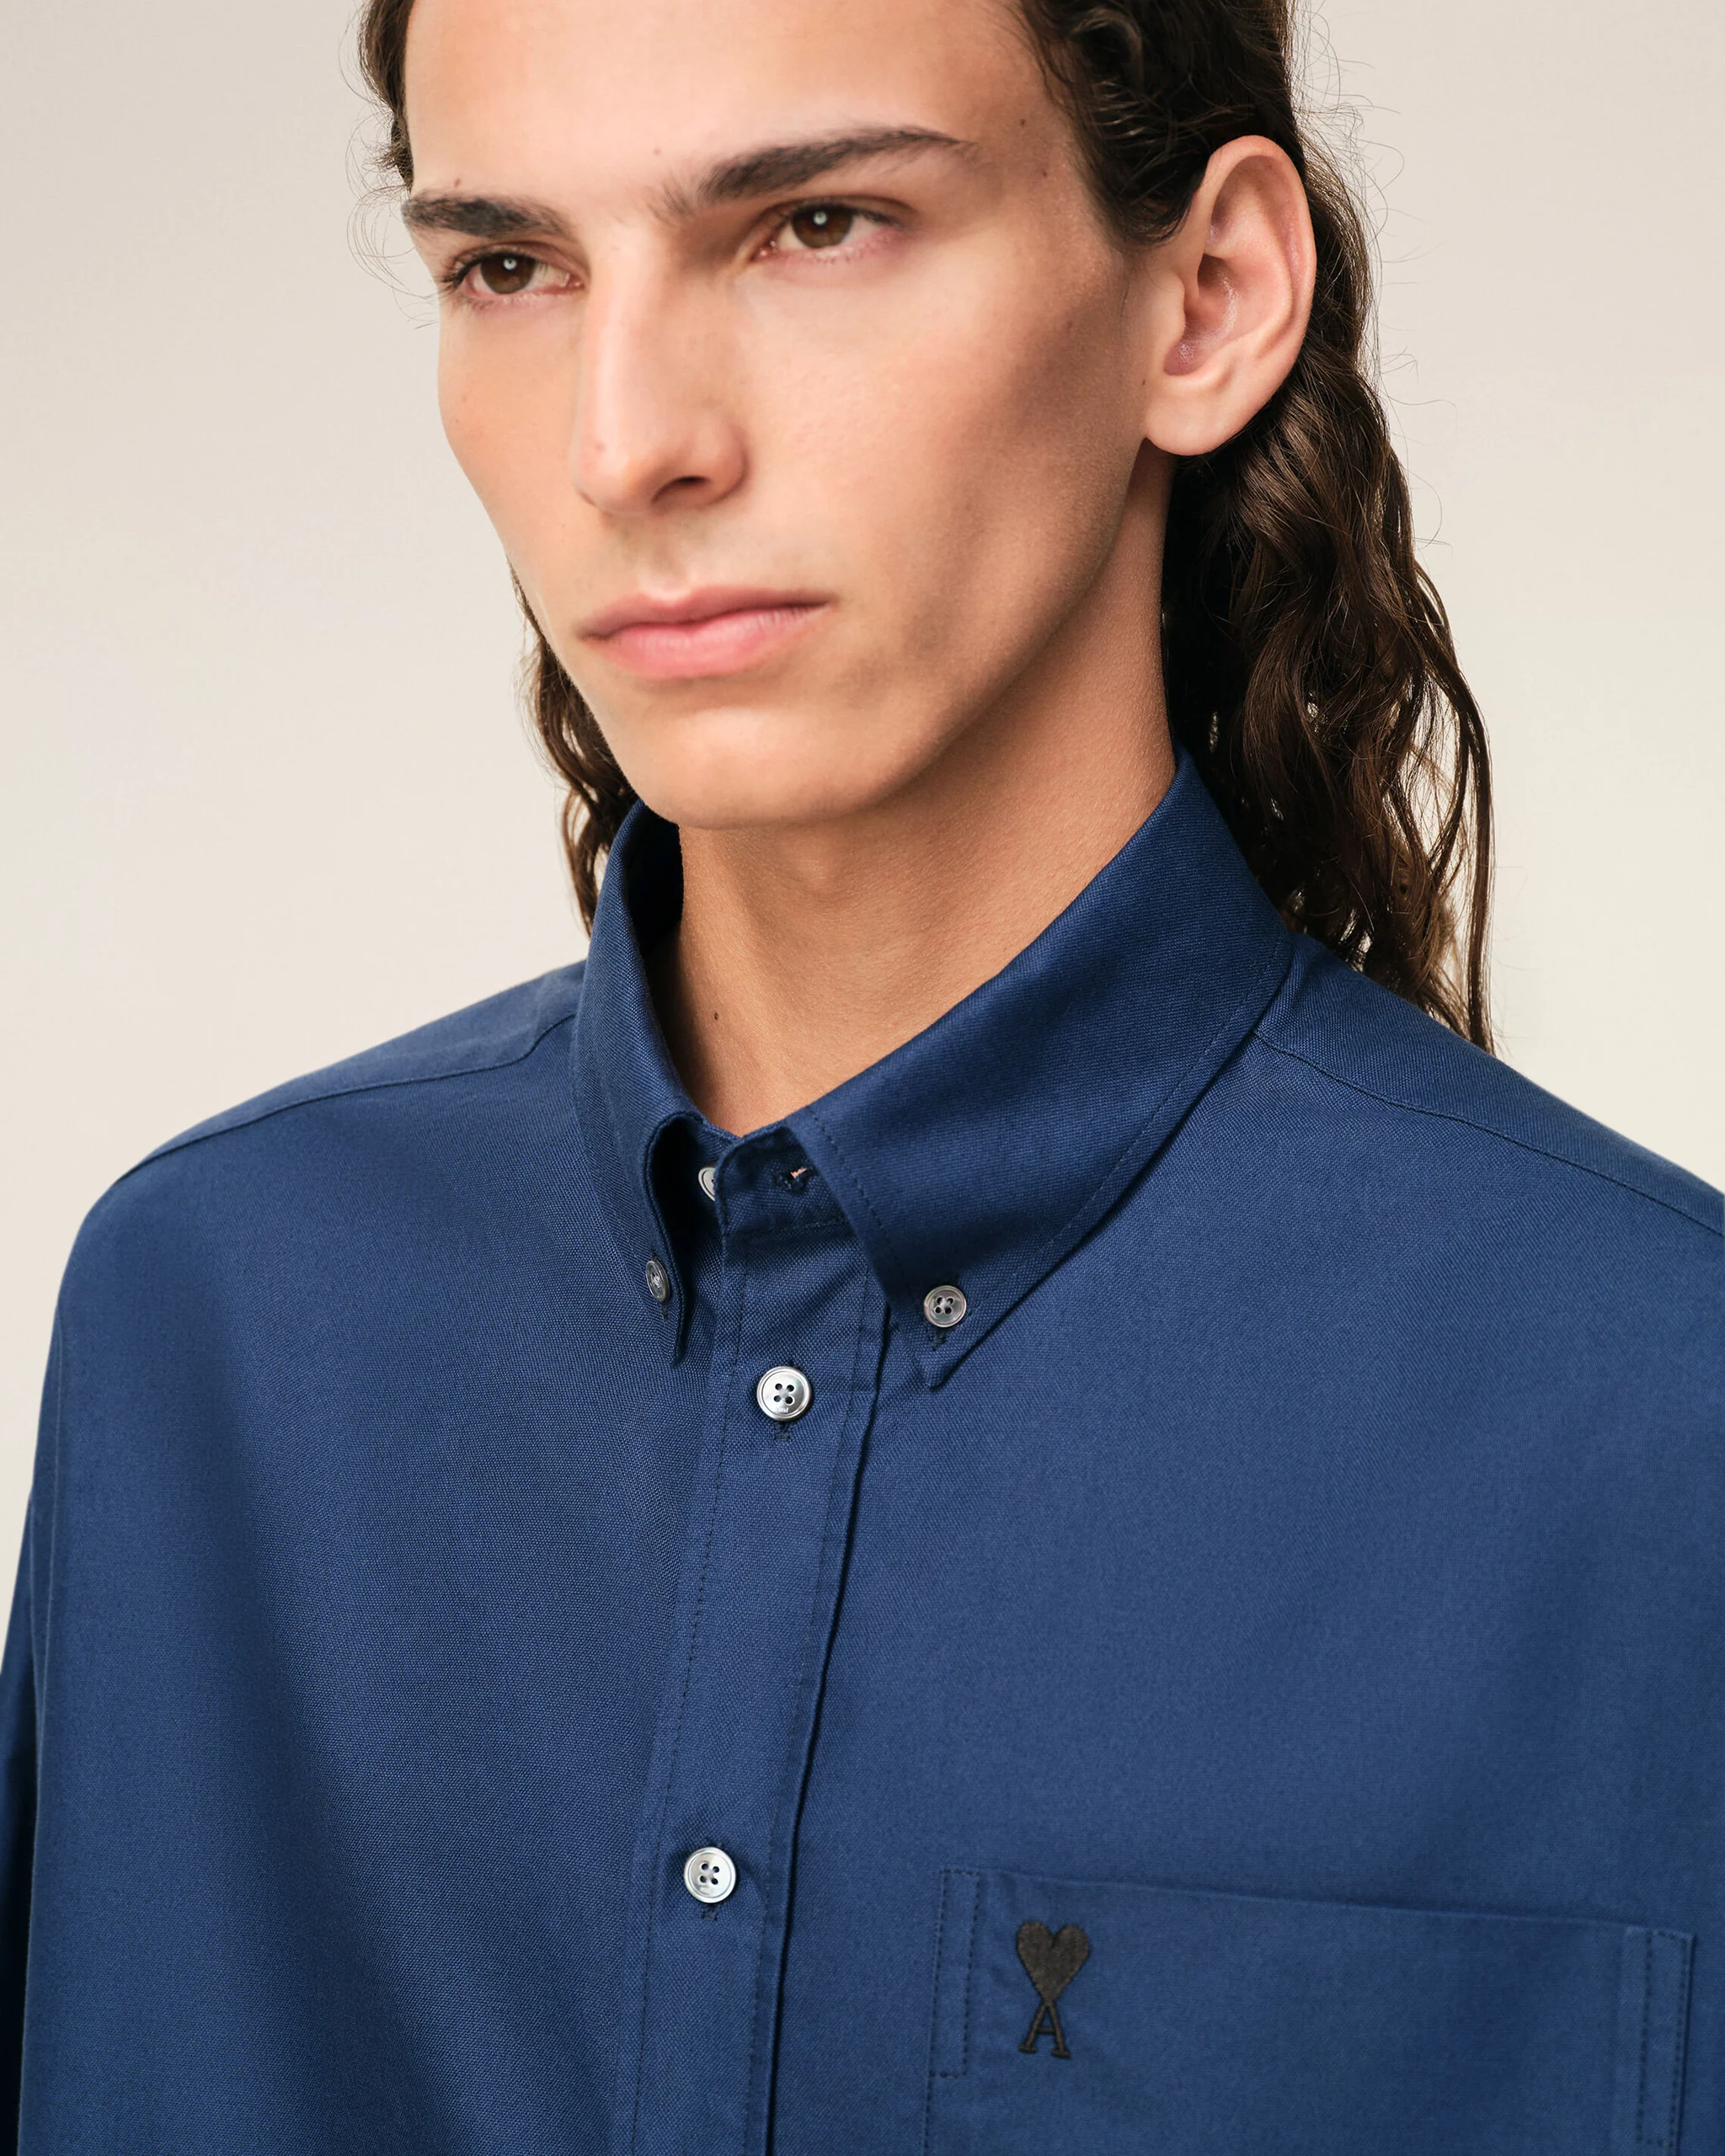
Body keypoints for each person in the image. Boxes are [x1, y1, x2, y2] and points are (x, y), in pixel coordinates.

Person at [2, 0, 1717, 2146]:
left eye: (816, 223)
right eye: (511, 266)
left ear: (1206, 297)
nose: (626, 443)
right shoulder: (212, 1331)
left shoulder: (1664, 1417)